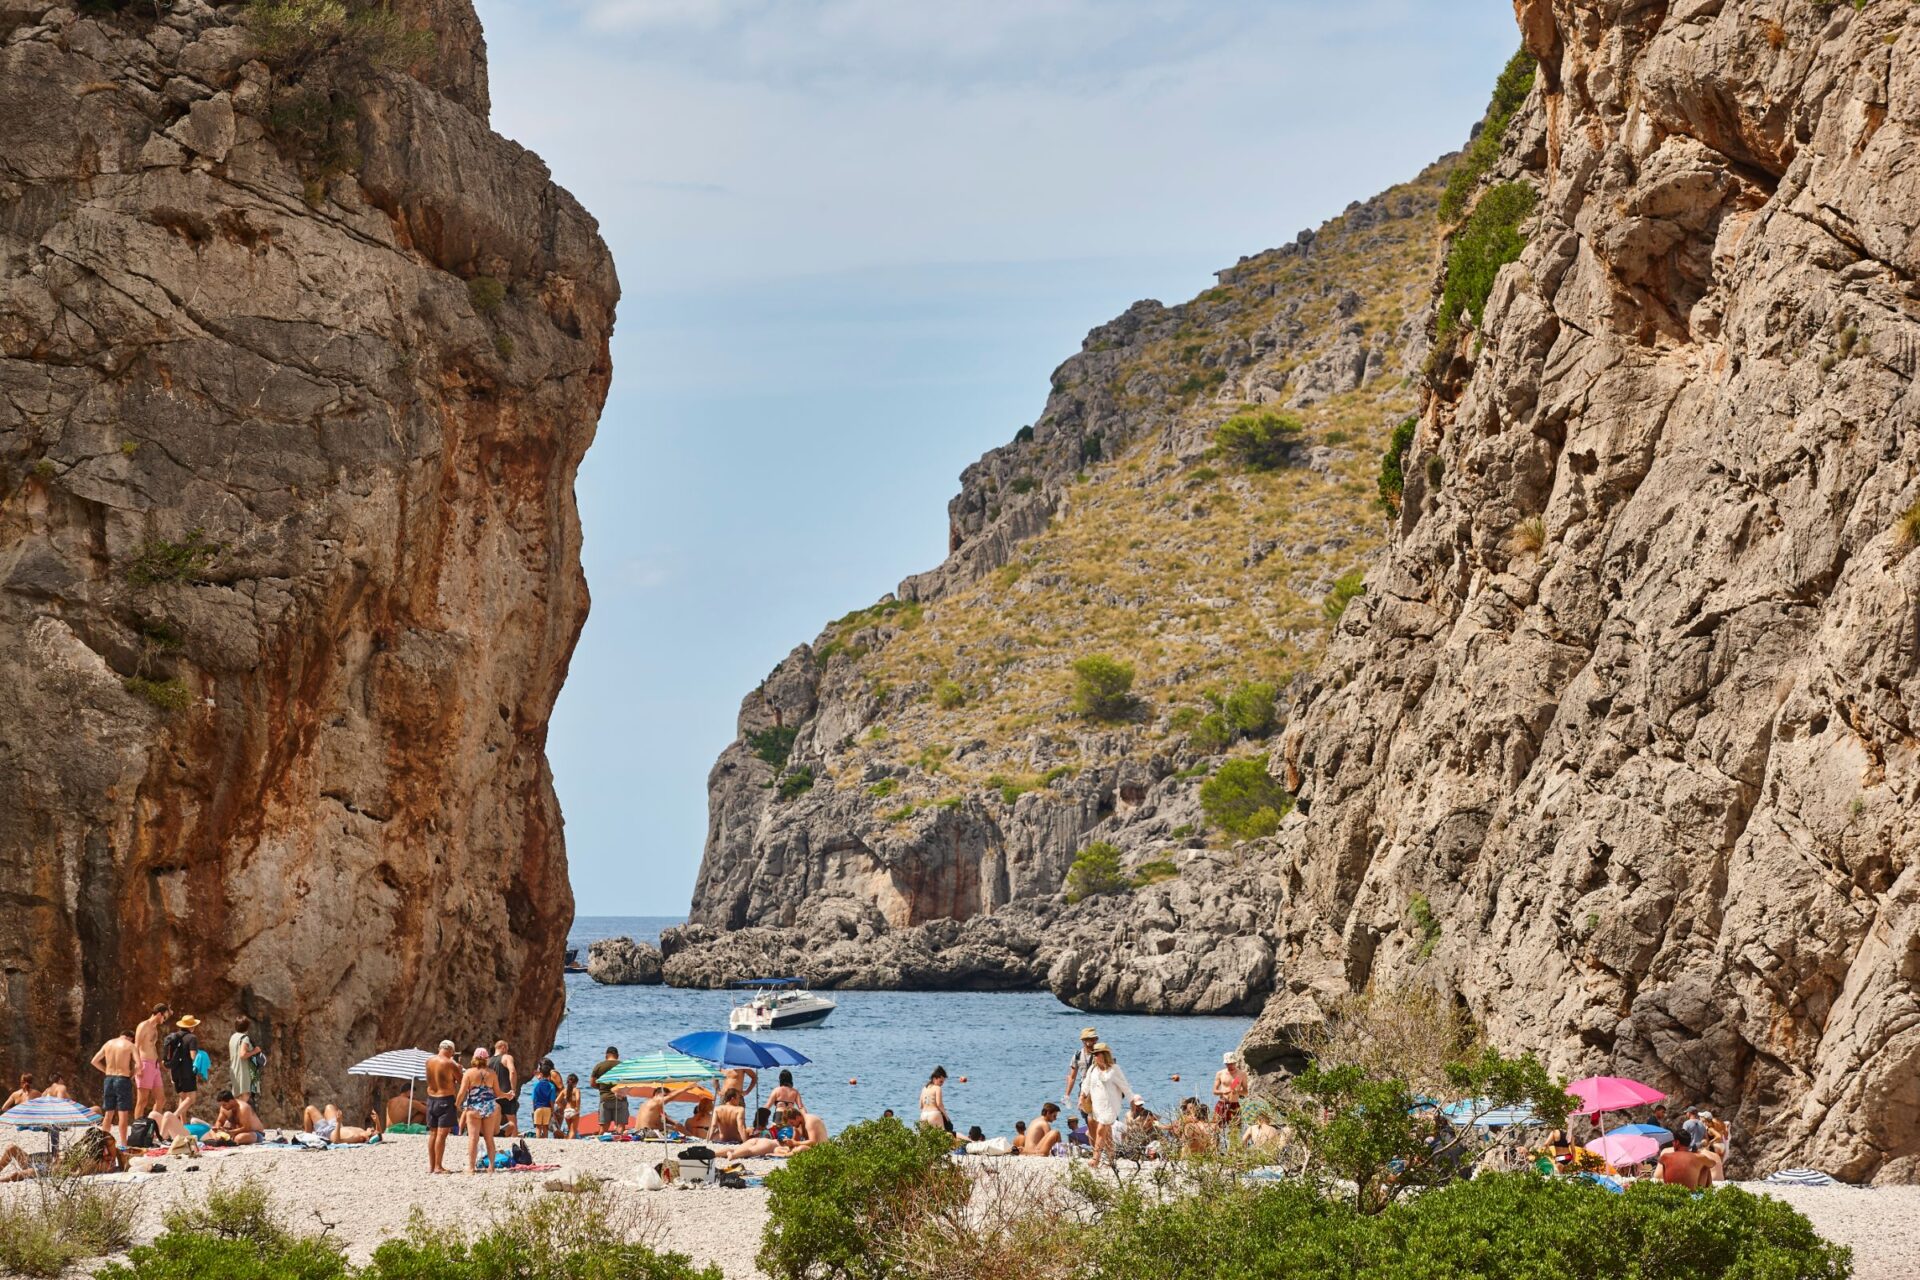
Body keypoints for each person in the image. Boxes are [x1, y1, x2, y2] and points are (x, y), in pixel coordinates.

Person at [1081, 1042, 1133, 1168]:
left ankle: (1095, 1159)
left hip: (1111, 1105)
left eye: (1097, 1054)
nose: (1095, 1056)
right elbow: (1086, 1084)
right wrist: (1081, 1097)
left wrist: (1132, 1101)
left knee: (1100, 1130)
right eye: (1094, 1054)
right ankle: (1111, 1159)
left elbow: (1125, 1086)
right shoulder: (1092, 1069)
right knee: (1107, 1133)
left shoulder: (1114, 1069)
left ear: (1104, 1054)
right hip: (1097, 1105)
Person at [91, 1029, 138, 1147]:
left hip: (109, 1079)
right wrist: (131, 1075)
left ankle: (103, 1143)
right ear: (130, 1038)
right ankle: (123, 1144)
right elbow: (140, 1065)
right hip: (122, 1079)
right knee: (123, 1113)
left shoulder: (108, 1043)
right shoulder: (130, 1045)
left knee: (108, 1113)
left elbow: (94, 1061)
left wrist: (105, 1070)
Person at [457, 1048, 500, 1173]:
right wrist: (507, 1095)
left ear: (474, 1058)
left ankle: (471, 1168)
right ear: (487, 1059)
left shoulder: (469, 1073)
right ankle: (491, 1167)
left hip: (474, 1108)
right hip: (489, 1108)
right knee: (489, 1138)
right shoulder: (492, 1073)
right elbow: (497, 1093)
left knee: (473, 1138)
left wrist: (457, 1104)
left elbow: (462, 1092)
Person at [425, 1040, 461, 1174]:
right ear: (451, 1050)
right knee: (442, 1134)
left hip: (431, 1099)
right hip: (445, 1099)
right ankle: (438, 1167)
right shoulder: (450, 1063)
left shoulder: (428, 1061)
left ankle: (431, 1166)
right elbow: (461, 1080)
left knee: (433, 1134)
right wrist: (459, 1068)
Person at [133, 1002, 172, 1119]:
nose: (164, 1020)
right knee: (142, 1100)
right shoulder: (144, 1025)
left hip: (154, 1066)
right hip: (144, 1064)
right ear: (159, 1014)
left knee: (161, 1099)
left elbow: (151, 1047)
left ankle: (153, 1125)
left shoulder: (155, 1028)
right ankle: (137, 1126)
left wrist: (159, 1063)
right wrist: (137, 1065)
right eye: (164, 1017)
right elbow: (136, 1046)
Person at [162, 1015, 202, 1119]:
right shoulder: (192, 1038)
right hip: (187, 1072)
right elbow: (193, 1057)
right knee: (191, 1098)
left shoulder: (174, 1037)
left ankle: (182, 1124)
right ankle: (174, 1116)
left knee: (183, 1098)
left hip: (175, 1071)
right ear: (191, 1027)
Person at [1064, 1027, 1100, 1125]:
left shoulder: (1100, 1053)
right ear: (1084, 1040)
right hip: (1084, 1089)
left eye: (1095, 1039)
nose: (1094, 1041)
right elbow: (1072, 1077)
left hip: (1098, 1087)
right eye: (1091, 1039)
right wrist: (1067, 1095)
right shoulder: (1077, 1055)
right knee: (1086, 1116)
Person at [590, 1046, 626, 1133]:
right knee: (620, 1126)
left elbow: (592, 1083)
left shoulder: (599, 1066)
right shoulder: (623, 1066)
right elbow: (628, 1082)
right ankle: (619, 1140)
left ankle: (601, 1140)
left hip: (605, 1098)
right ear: (617, 1055)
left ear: (606, 1056)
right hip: (620, 1098)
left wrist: (602, 1088)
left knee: (603, 1127)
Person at [303, 1102, 377, 1145]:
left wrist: (338, 1122)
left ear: (368, 1138)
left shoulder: (357, 1137)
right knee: (329, 1107)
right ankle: (322, 1124)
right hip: (335, 1126)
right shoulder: (362, 1131)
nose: (372, 1129)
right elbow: (379, 1134)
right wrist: (377, 1121)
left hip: (327, 1132)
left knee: (309, 1109)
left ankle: (307, 1137)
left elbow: (336, 1141)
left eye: (372, 1131)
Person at [228, 1016, 263, 1106]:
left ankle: (235, 1112)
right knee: (245, 1094)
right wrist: (255, 1051)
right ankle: (240, 1113)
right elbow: (243, 1055)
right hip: (243, 1070)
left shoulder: (233, 1037)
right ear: (247, 1027)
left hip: (234, 1068)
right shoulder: (245, 1039)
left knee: (236, 1095)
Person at [492, 1039, 520, 1138]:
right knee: (512, 1120)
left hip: (493, 1094)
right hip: (506, 1093)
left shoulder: (488, 1061)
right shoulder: (507, 1057)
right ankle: (514, 1139)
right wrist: (513, 1089)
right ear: (503, 1048)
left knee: (494, 1120)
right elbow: (512, 1071)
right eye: (507, 1048)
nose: (507, 1051)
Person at [1213, 1053, 1247, 1125]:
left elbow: (1246, 1092)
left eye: (1232, 1063)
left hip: (1234, 1105)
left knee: (1235, 1129)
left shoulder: (1242, 1074)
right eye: (1228, 1064)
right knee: (1218, 1128)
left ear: (1235, 1062)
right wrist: (1223, 1092)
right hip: (1222, 1104)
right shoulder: (1220, 1073)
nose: (1230, 1065)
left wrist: (1237, 1091)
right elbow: (1214, 1091)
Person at [529, 1060, 559, 1137]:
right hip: (547, 1109)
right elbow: (552, 1100)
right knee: (545, 1127)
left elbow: (533, 1098)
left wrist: (534, 1109)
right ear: (549, 1075)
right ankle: (545, 1140)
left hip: (538, 1108)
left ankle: (538, 1140)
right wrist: (552, 1110)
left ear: (541, 1074)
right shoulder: (551, 1086)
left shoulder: (536, 1085)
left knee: (538, 1127)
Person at [918, 1066, 952, 1133]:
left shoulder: (924, 1088)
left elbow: (920, 1106)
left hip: (923, 1115)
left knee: (924, 1136)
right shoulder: (937, 1088)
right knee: (943, 1135)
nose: (942, 1084)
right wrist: (947, 1118)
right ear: (934, 1078)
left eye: (943, 1082)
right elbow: (939, 1104)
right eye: (941, 1082)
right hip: (934, 1114)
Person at [561, 1073, 582, 1138]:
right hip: (573, 1111)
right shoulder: (576, 1090)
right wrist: (577, 1108)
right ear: (576, 1082)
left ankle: (569, 1139)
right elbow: (578, 1099)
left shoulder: (564, 1090)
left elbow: (557, 1101)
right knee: (573, 1130)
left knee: (570, 1129)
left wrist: (563, 1107)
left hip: (566, 1111)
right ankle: (570, 1141)